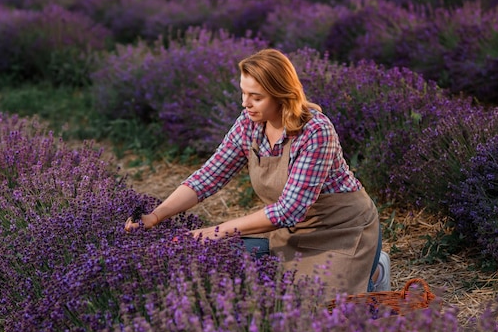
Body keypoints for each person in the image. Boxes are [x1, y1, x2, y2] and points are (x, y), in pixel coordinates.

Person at [125, 48, 390, 298]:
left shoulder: (315, 131)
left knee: (318, 310)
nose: (245, 103)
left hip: (341, 228)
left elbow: (289, 210)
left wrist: (214, 231)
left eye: (256, 97)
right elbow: (208, 177)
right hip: (290, 231)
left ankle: (374, 269)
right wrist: (155, 216)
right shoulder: (249, 124)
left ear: (282, 94)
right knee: (249, 285)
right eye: (243, 93)